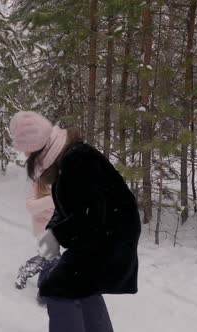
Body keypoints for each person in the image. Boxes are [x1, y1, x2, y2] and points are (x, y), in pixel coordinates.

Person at [10, 111, 141, 332]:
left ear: (35, 144)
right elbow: (68, 209)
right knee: (82, 286)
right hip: (105, 234)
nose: (24, 153)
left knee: (59, 288)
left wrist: (56, 236)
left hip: (112, 235)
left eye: (25, 147)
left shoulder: (77, 159)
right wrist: (51, 232)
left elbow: (89, 214)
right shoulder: (66, 158)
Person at [14, 179, 55, 290]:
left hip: (60, 228)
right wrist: (52, 200)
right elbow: (31, 207)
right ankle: (44, 292)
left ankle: (26, 269)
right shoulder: (40, 183)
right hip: (44, 229)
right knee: (52, 259)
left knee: (48, 258)